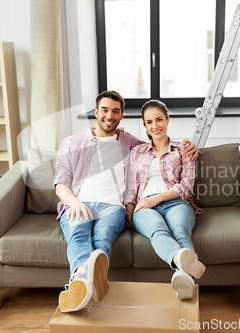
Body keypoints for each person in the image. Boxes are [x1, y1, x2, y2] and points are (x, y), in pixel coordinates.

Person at [53, 91, 198, 312]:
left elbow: (156, 144)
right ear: (96, 112)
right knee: (78, 234)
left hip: (112, 208)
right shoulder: (72, 143)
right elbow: (61, 181)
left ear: (121, 116)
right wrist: (73, 202)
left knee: (103, 238)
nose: (109, 116)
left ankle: (82, 286)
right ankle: (80, 283)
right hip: (78, 204)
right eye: (105, 110)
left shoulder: (129, 142)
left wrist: (189, 145)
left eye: (115, 111)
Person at [125, 100, 205, 300]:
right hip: (144, 206)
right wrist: (129, 210)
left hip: (176, 202)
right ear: (145, 126)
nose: (155, 126)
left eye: (159, 119)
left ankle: (183, 276)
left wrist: (159, 198)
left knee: (180, 231)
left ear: (168, 120)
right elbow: (131, 187)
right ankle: (181, 263)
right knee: (157, 230)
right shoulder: (136, 152)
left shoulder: (183, 149)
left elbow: (187, 184)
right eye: (149, 122)